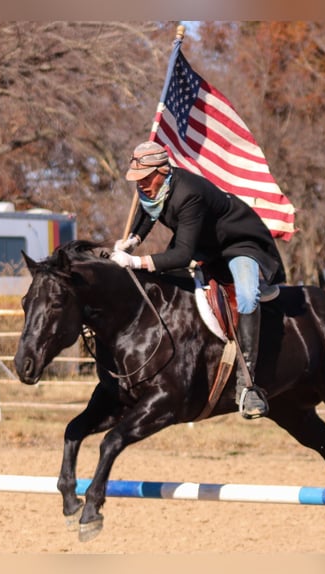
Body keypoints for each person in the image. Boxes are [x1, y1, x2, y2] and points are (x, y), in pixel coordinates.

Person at [110, 140, 286, 419]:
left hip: (239, 242)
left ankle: (248, 384)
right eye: (137, 179)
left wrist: (135, 261)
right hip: (206, 245)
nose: (141, 184)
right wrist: (133, 239)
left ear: (163, 171)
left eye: (145, 178)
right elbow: (148, 211)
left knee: (247, 295)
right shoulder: (153, 188)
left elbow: (181, 255)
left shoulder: (188, 194)